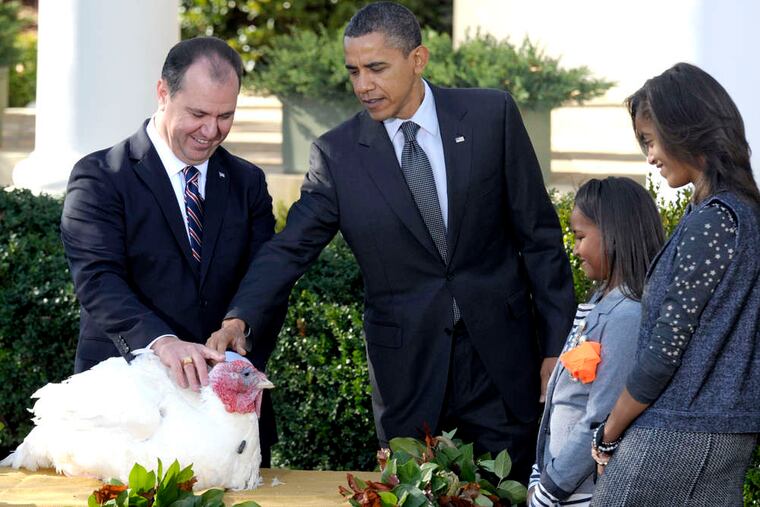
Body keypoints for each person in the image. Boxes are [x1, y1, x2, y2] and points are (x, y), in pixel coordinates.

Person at [207, 2, 575, 482]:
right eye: (354, 71)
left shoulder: (491, 116)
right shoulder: (337, 155)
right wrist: (241, 317)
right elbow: (289, 248)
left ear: (417, 59)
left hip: (503, 366)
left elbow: (540, 238)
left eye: (376, 68)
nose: (363, 85)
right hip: (408, 376)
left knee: (507, 492)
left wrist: (556, 348)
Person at [60, 36, 283, 465]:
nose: (211, 130)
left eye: (225, 116)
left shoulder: (248, 182)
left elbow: (265, 275)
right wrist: (163, 342)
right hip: (128, 415)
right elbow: (98, 279)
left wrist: (242, 322)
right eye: (197, 113)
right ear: (163, 93)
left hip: (226, 422)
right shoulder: (100, 177)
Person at [589, 63, 760, 506]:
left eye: (650, 139)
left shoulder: (714, 221)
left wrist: (609, 432)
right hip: (724, 431)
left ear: (686, 129)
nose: (649, 156)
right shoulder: (742, 215)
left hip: (678, 432)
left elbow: (664, 352)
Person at [527, 177, 665, 507]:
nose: (575, 249)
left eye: (580, 237)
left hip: (585, 494)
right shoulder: (600, 304)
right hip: (564, 489)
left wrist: (550, 488)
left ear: (613, 235)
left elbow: (600, 416)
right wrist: (540, 472)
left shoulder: (627, 316)